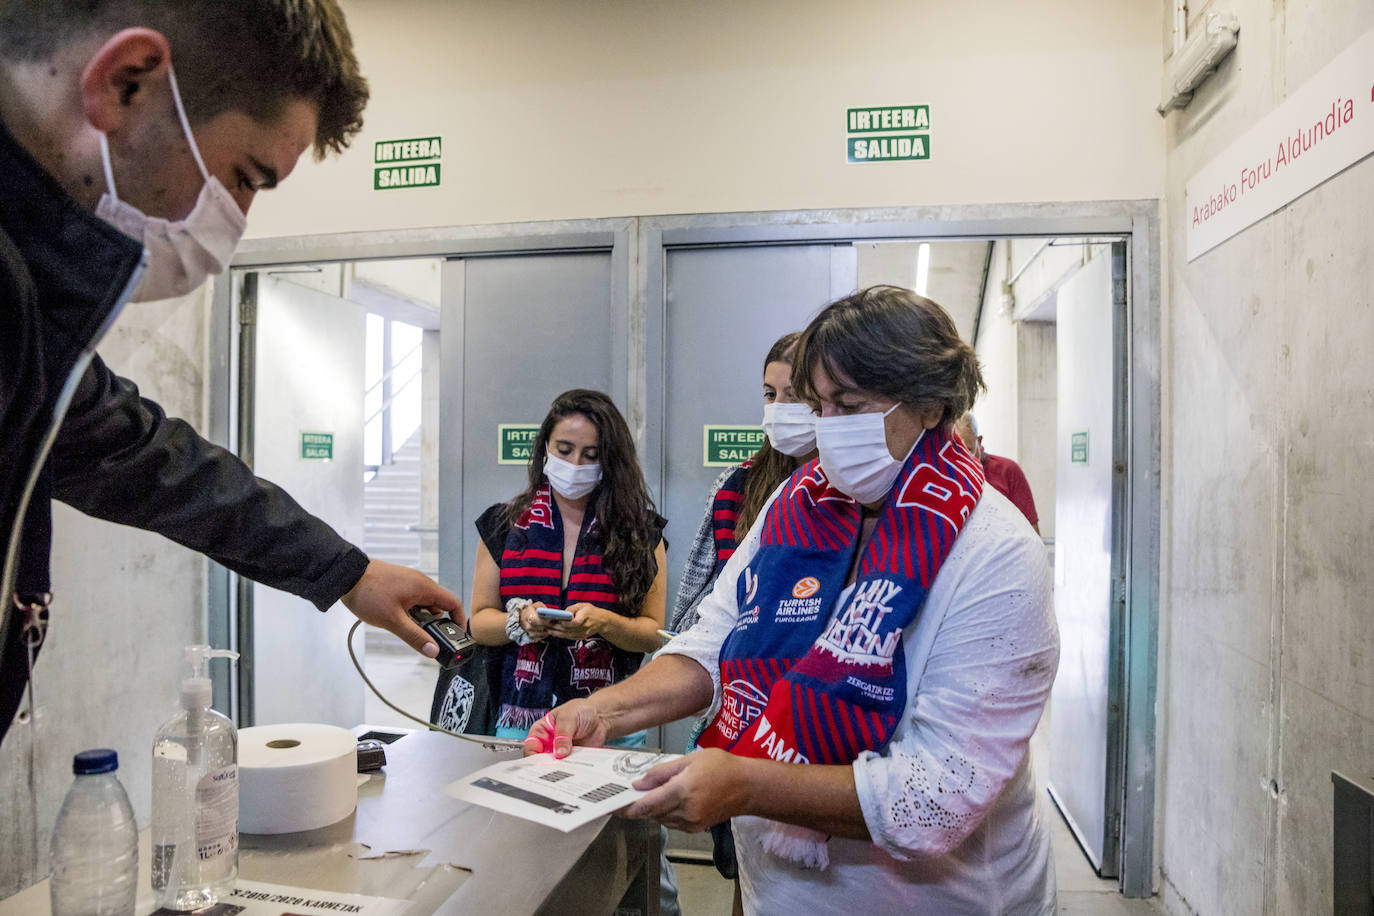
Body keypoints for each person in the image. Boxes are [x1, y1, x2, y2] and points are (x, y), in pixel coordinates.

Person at [0, 0, 463, 746]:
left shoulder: (27, 308)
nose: (235, 221)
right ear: (127, 82)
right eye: (244, 177)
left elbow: (143, 456)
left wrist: (347, 571)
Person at [527, 286, 1060, 915]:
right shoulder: (796, 506)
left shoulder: (995, 553)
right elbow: (711, 644)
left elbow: (934, 799)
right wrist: (604, 712)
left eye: (850, 407)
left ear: (931, 404)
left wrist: (747, 784)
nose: (827, 431)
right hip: (779, 895)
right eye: (819, 408)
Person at [668, 330, 815, 894]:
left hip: (815, 726)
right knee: (747, 874)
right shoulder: (740, 486)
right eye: (769, 394)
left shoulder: (861, 493)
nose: (779, 410)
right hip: (740, 714)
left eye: (794, 395)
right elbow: (697, 610)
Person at [460, 389, 667, 743]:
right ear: (545, 449)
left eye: (591, 455)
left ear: (610, 461)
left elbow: (652, 635)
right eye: (564, 450)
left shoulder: (642, 534)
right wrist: (521, 622)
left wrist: (604, 623)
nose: (575, 466)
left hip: (609, 721)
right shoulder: (503, 525)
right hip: (519, 719)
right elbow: (478, 623)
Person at [954, 413, 1041, 533]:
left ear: (978, 441)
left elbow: (1032, 530)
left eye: (969, 449)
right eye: (956, 451)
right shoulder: (946, 473)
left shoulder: (1008, 470)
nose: (964, 458)